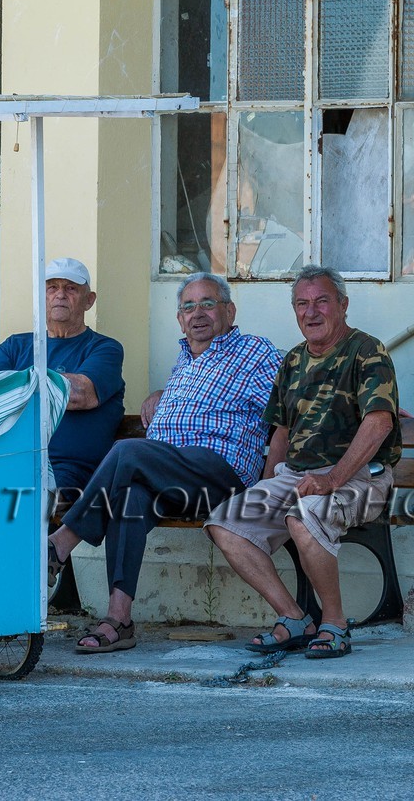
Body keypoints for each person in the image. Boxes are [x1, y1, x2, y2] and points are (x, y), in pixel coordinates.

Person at [48, 272, 282, 653]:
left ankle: (61, 543)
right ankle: (119, 619)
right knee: (129, 499)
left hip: (219, 475)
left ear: (229, 310)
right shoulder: (185, 361)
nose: (198, 313)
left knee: (127, 450)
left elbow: (298, 394)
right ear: (179, 319)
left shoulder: (254, 351)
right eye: (188, 306)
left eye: (208, 303)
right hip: (170, 478)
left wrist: (363, 407)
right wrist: (162, 393)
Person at [205, 265, 401, 660]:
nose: (311, 312)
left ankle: (334, 624)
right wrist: (262, 487)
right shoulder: (293, 359)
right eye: (302, 304)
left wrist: (332, 479)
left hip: (360, 476)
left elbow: (379, 422)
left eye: (322, 301)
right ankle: (294, 618)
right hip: (296, 476)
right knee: (226, 524)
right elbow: (280, 431)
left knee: (304, 513)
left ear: (343, 305)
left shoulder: (367, 350)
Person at [0, 258, 124, 496]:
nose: (60, 295)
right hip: (12, 459)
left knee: (26, 501)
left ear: (88, 300)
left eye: (70, 288)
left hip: (68, 468)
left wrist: (17, 388)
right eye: (52, 288)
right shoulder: (15, 346)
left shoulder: (105, 348)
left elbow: (79, 394)